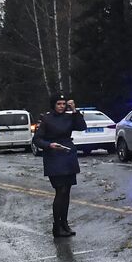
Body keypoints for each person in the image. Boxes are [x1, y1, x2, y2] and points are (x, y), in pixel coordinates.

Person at [32, 94, 86, 238]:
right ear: (53, 105)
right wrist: (49, 145)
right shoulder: (47, 119)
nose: (62, 106)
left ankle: (64, 223)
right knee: (60, 191)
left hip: (68, 154)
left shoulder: (69, 117)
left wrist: (75, 110)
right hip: (54, 156)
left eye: (64, 104)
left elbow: (82, 126)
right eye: (59, 104)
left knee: (67, 191)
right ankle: (57, 226)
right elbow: (36, 139)